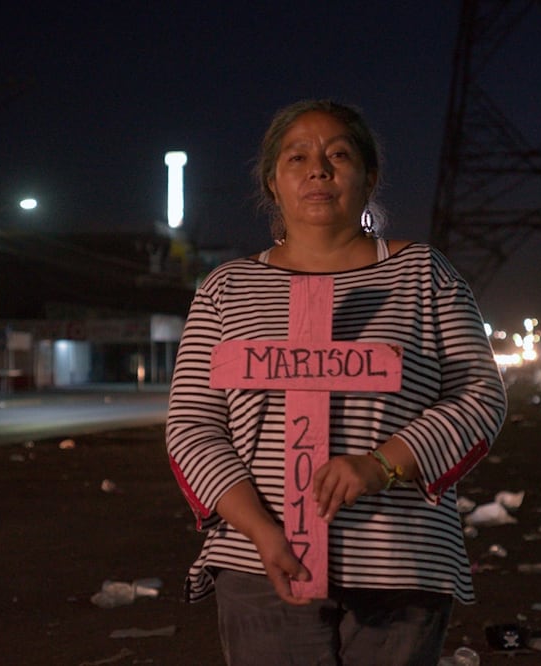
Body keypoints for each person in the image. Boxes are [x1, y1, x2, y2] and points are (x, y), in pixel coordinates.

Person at [166, 99, 507, 665]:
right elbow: (193, 427)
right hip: (260, 563)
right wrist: (262, 531)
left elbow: (480, 395)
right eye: (297, 157)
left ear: (368, 177)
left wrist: (382, 463)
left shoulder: (423, 274)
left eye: (338, 155)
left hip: (400, 559)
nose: (318, 169)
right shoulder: (225, 289)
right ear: (273, 182)